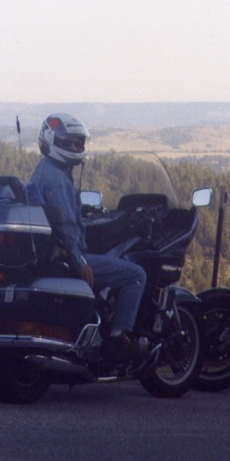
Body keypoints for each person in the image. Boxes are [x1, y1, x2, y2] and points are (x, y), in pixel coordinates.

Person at [30, 113, 148, 362]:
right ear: (52, 141)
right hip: (68, 255)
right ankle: (118, 338)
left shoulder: (45, 171)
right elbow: (68, 228)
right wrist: (80, 261)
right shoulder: (57, 179)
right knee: (136, 275)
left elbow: (63, 216)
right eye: (68, 142)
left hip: (50, 253)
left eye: (78, 143)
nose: (74, 147)